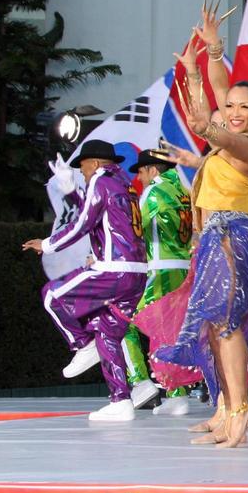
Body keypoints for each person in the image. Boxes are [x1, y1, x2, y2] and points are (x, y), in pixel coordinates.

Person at [154, 67, 248, 447]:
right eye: (230, 106)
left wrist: (206, 125)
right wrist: (198, 69)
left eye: (245, 107)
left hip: (232, 234)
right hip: (213, 237)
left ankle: (239, 410)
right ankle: (230, 408)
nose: (235, 111)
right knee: (215, 326)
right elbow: (222, 100)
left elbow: (217, 127)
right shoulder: (227, 144)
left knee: (227, 323)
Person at [24, 140, 149, 421]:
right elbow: (92, 213)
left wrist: (47, 245)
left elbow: (82, 224)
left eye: (82, 168)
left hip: (113, 269)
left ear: (94, 163)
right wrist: (71, 191)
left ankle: (81, 344)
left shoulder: (101, 181)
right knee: (107, 333)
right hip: (136, 273)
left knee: (51, 295)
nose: (82, 173)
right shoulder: (123, 185)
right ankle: (121, 401)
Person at [132, 148, 195, 416]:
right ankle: (177, 393)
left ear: (152, 170)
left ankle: (139, 382)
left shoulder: (153, 192)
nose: (139, 177)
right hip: (184, 268)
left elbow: (134, 227)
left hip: (159, 268)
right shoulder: (183, 190)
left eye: (141, 171)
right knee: (171, 331)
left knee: (124, 322)